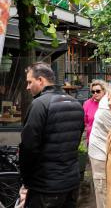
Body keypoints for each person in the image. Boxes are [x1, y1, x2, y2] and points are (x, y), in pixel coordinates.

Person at [19, 62, 84, 207]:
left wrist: (26, 181)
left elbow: (28, 147)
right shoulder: (76, 104)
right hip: (71, 183)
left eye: (30, 82)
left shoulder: (39, 104)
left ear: (41, 80)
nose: (27, 87)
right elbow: (75, 141)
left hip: (46, 187)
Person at [88, 80, 111, 208]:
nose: (95, 94)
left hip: (105, 151)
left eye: (98, 91)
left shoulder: (108, 104)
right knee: (102, 187)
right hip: (100, 153)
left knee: (108, 186)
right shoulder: (105, 109)